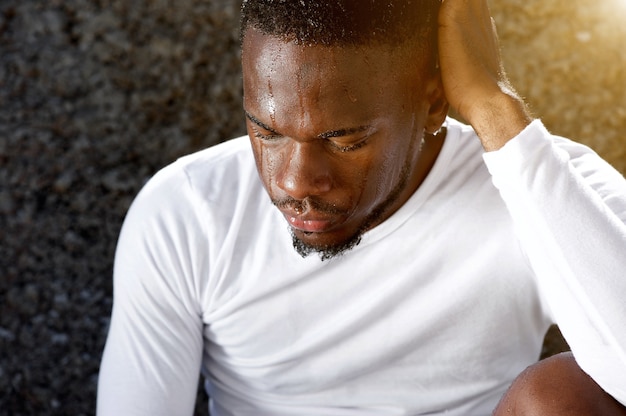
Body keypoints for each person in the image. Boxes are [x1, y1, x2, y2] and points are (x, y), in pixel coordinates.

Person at [97, 0, 626, 414]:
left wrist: (493, 107)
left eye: (345, 140)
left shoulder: (542, 185)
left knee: (561, 397)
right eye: (267, 131)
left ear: (434, 99)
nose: (295, 181)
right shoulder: (187, 211)